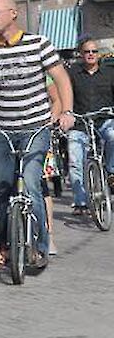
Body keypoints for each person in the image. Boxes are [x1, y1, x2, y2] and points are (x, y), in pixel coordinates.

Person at [0, 0, 74, 271]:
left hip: (35, 128)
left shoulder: (39, 43)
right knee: (2, 188)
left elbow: (61, 79)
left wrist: (67, 111)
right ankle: (4, 246)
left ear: (13, 14)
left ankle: (40, 245)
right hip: (2, 130)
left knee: (32, 184)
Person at [66, 37, 114, 215]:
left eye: (94, 51)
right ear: (81, 54)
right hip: (80, 124)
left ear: (99, 54)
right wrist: (66, 113)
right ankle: (80, 202)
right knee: (75, 160)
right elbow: (65, 96)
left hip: (104, 121)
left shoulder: (109, 72)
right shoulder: (72, 74)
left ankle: (111, 171)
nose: (91, 54)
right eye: (87, 51)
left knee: (113, 136)